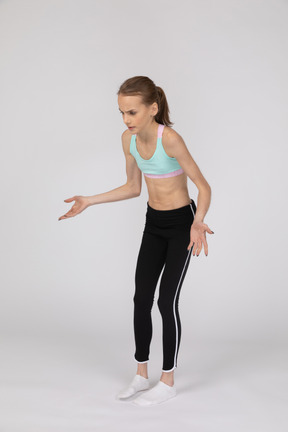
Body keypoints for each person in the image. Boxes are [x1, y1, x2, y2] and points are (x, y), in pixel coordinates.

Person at [58, 76, 213, 407]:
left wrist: (198, 222)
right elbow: (132, 187)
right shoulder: (128, 141)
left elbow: (203, 186)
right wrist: (89, 200)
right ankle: (142, 374)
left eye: (131, 112)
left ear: (152, 109)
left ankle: (168, 379)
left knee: (165, 302)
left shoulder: (169, 139)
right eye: (121, 113)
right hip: (153, 223)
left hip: (181, 226)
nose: (126, 120)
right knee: (141, 298)